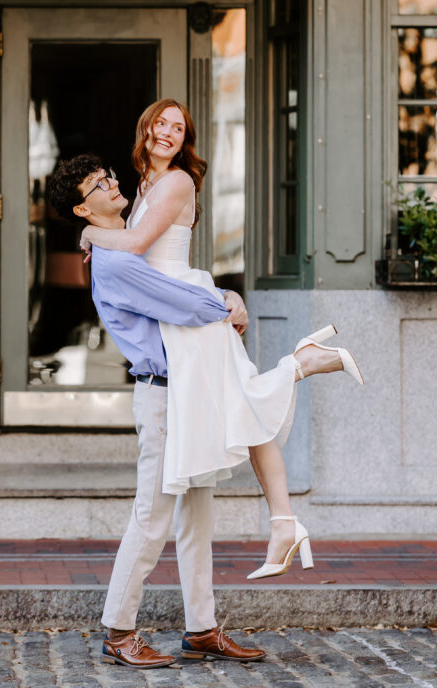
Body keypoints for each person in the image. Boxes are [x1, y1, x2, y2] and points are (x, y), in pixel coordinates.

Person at [78, 99, 364, 587]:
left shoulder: (177, 182)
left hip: (190, 312)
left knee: (247, 409)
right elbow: (133, 254)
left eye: (178, 127)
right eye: (161, 123)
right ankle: (284, 523)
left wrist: (87, 234)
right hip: (179, 313)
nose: (168, 132)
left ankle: (301, 365)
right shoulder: (143, 184)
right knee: (245, 411)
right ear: (145, 128)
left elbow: (137, 245)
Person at [49, 153, 267, 669]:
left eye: (108, 176)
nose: (110, 184)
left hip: (185, 389)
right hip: (162, 395)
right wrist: (228, 302)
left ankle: (202, 629)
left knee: (198, 516)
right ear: (83, 208)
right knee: (152, 518)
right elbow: (182, 301)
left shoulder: (122, 247)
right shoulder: (118, 261)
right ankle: (118, 631)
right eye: (98, 186)